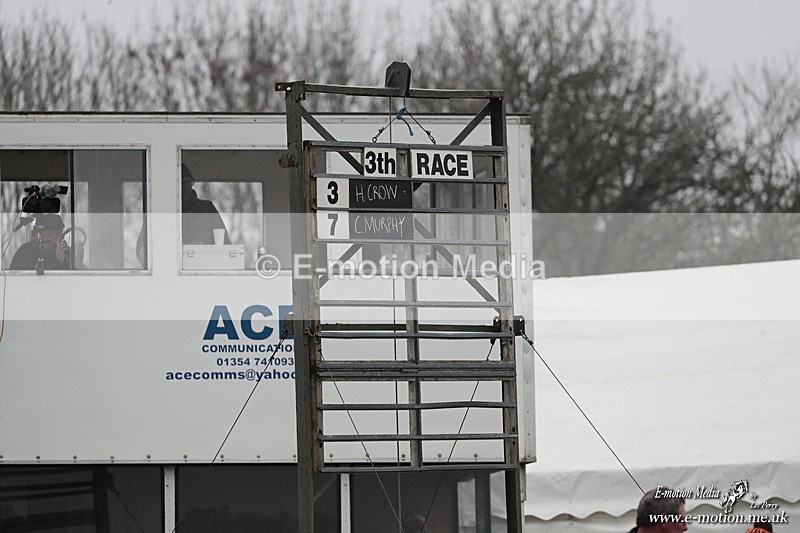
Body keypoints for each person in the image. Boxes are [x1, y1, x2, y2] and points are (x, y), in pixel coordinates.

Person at [181, 162, 230, 245]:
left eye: (188, 182)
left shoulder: (207, 209)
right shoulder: (168, 212)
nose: (186, 186)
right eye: (182, 183)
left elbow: (225, 242)